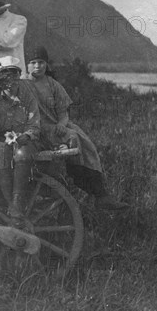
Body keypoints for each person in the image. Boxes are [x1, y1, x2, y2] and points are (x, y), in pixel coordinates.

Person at [26, 46, 130, 210]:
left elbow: (63, 112)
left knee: (86, 145)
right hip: (38, 128)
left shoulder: (53, 85)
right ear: (27, 65)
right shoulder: (23, 85)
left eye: (41, 62)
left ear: (46, 64)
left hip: (55, 125)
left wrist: (61, 123)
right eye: (33, 63)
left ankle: (100, 193)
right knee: (72, 137)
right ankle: (76, 177)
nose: (37, 66)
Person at [0, 56, 40, 226]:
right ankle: (10, 203)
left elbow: (35, 125)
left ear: (18, 77)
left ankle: (17, 202)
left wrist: (27, 135)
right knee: (0, 152)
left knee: (22, 154)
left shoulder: (28, 97)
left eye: (14, 75)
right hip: (1, 140)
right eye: (6, 75)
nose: (10, 80)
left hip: (24, 140)